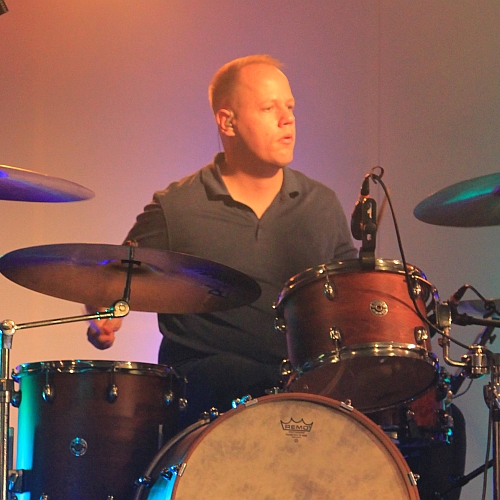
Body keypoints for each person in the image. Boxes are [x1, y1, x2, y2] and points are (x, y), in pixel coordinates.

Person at [85, 54, 358, 427]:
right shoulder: (177, 206)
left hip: (300, 394)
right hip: (202, 401)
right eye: (269, 108)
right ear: (228, 122)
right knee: (231, 373)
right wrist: (102, 315)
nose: (287, 119)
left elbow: (351, 300)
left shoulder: (321, 204)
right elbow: (111, 280)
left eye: (290, 107)